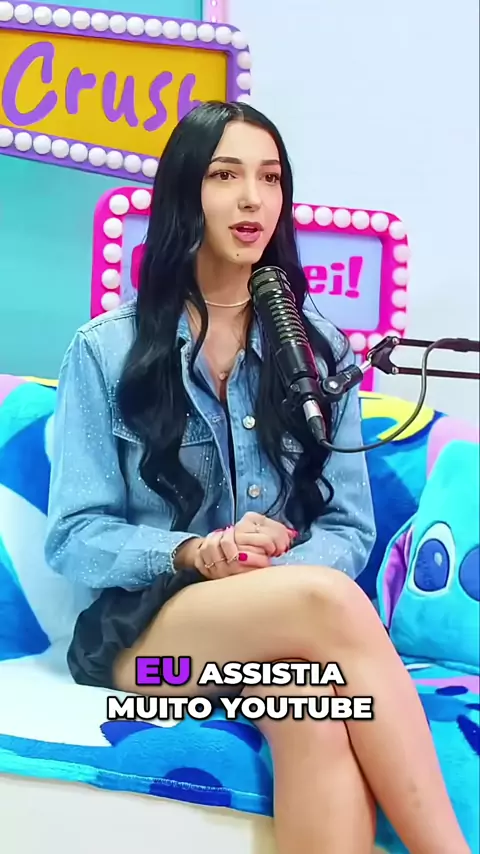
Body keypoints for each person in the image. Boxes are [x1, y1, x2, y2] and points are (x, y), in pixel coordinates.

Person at [45, 101, 469, 854]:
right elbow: (74, 537)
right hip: (152, 655)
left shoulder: (320, 352)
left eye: (270, 179)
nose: (253, 199)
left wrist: (269, 581)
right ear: (186, 192)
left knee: (317, 716)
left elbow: (349, 529)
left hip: (272, 643)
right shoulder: (105, 351)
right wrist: (196, 554)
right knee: (326, 600)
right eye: (225, 175)